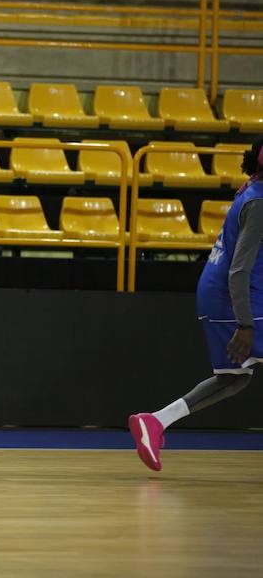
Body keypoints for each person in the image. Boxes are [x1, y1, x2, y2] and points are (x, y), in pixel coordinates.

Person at [129, 135, 263, 471]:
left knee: (235, 377)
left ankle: (155, 421)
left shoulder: (254, 189)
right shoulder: (259, 203)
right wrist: (245, 323)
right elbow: (239, 269)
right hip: (231, 295)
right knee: (236, 374)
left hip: (222, 291)